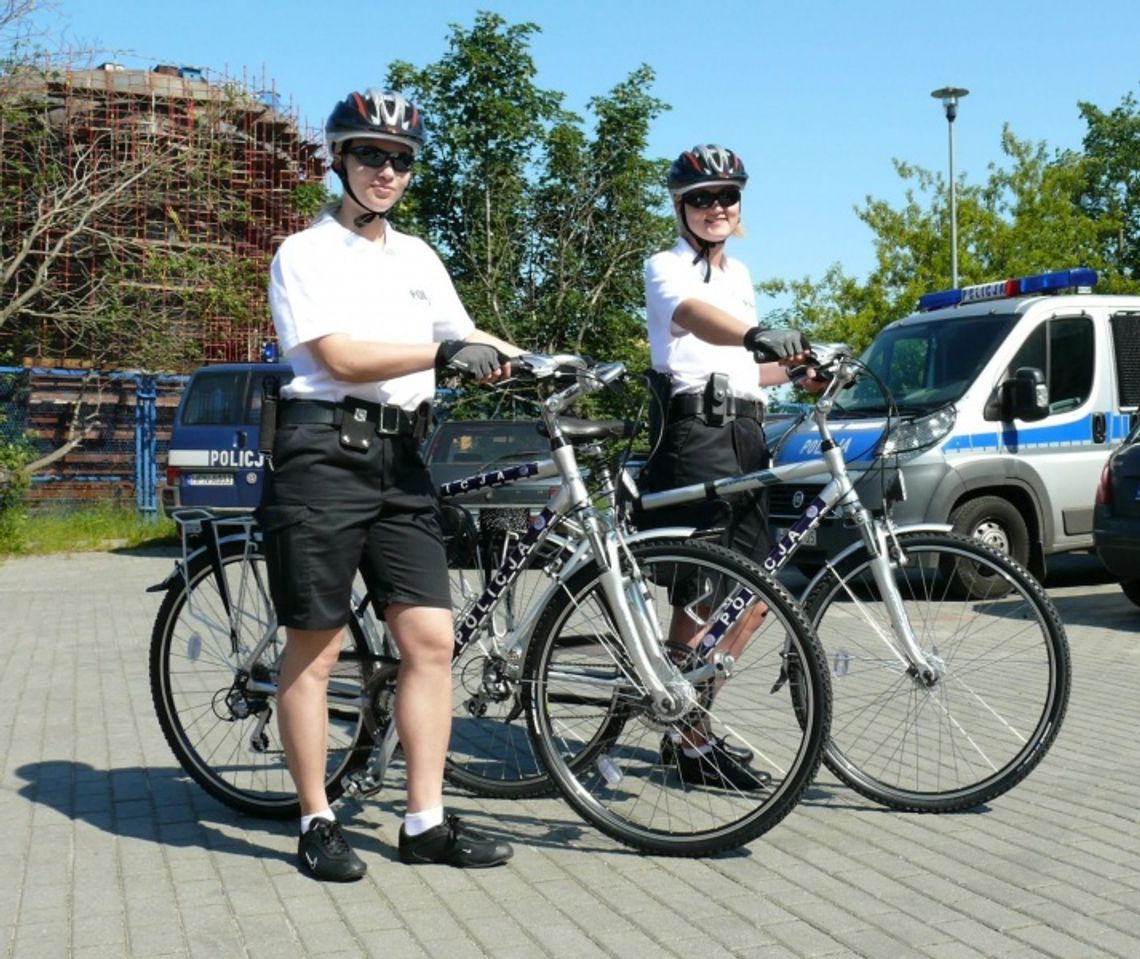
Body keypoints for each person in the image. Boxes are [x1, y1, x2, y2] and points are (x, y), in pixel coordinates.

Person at [257, 87, 519, 881]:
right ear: (338, 159)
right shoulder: (302, 253)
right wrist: (439, 357)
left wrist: (532, 360)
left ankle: (424, 820)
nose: (385, 171)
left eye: (400, 160)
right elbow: (337, 357)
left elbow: (462, 333)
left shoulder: (418, 258)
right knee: (318, 645)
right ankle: (315, 816)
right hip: (322, 453)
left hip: (403, 460)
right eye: (370, 154)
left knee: (431, 640)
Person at [638, 143, 816, 790]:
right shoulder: (664, 266)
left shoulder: (738, 276)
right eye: (701, 198)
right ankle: (688, 736)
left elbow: (748, 365)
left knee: (758, 596)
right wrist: (750, 335)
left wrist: (798, 369)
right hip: (696, 432)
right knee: (700, 591)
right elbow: (693, 320)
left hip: (746, 429)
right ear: (680, 206)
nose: (716, 208)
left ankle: (688, 721)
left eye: (727, 197)